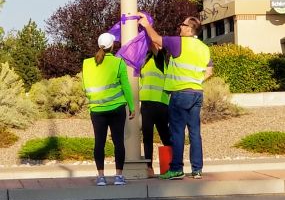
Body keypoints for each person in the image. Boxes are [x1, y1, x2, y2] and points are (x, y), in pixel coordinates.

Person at [138, 13, 213, 180]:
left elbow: (156, 39)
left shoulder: (178, 42)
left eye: (183, 24)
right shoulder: (204, 48)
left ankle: (176, 168)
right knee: (195, 133)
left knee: (177, 132)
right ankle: (197, 170)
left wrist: (146, 25)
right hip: (196, 92)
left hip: (180, 93)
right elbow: (209, 71)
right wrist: (195, 80)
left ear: (190, 29)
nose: (180, 27)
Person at [82, 32, 135, 186]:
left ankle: (100, 177)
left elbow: (84, 86)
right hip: (117, 108)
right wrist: (131, 106)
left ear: (99, 46)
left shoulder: (87, 63)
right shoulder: (118, 63)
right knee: (118, 141)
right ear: (113, 46)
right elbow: (126, 86)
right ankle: (118, 176)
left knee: (99, 142)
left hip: (97, 109)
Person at [139, 45, 171, 178]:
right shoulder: (144, 62)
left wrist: (148, 31)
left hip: (160, 103)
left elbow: (155, 47)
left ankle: (170, 166)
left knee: (165, 136)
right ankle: (149, 168)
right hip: (147, 103)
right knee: (148, 138)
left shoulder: (161, 60)